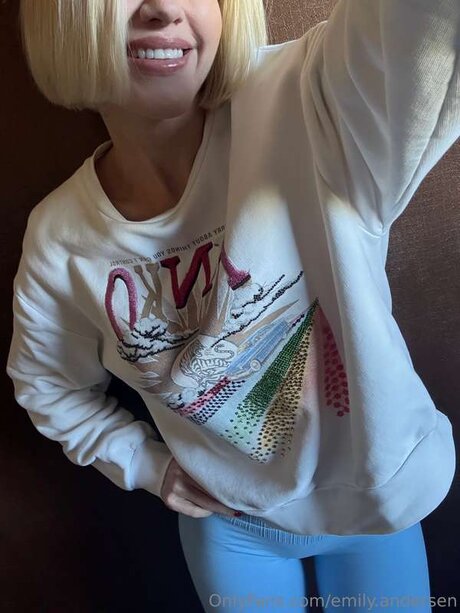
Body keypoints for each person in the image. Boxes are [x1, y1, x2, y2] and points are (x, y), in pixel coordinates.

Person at [7, 0, 459, 611]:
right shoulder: (60, 239)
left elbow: (418, 27)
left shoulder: (311, 99)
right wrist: (144, 464)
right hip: (231, 527)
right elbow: (47, 385)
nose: (163, 9)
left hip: (379, 505)